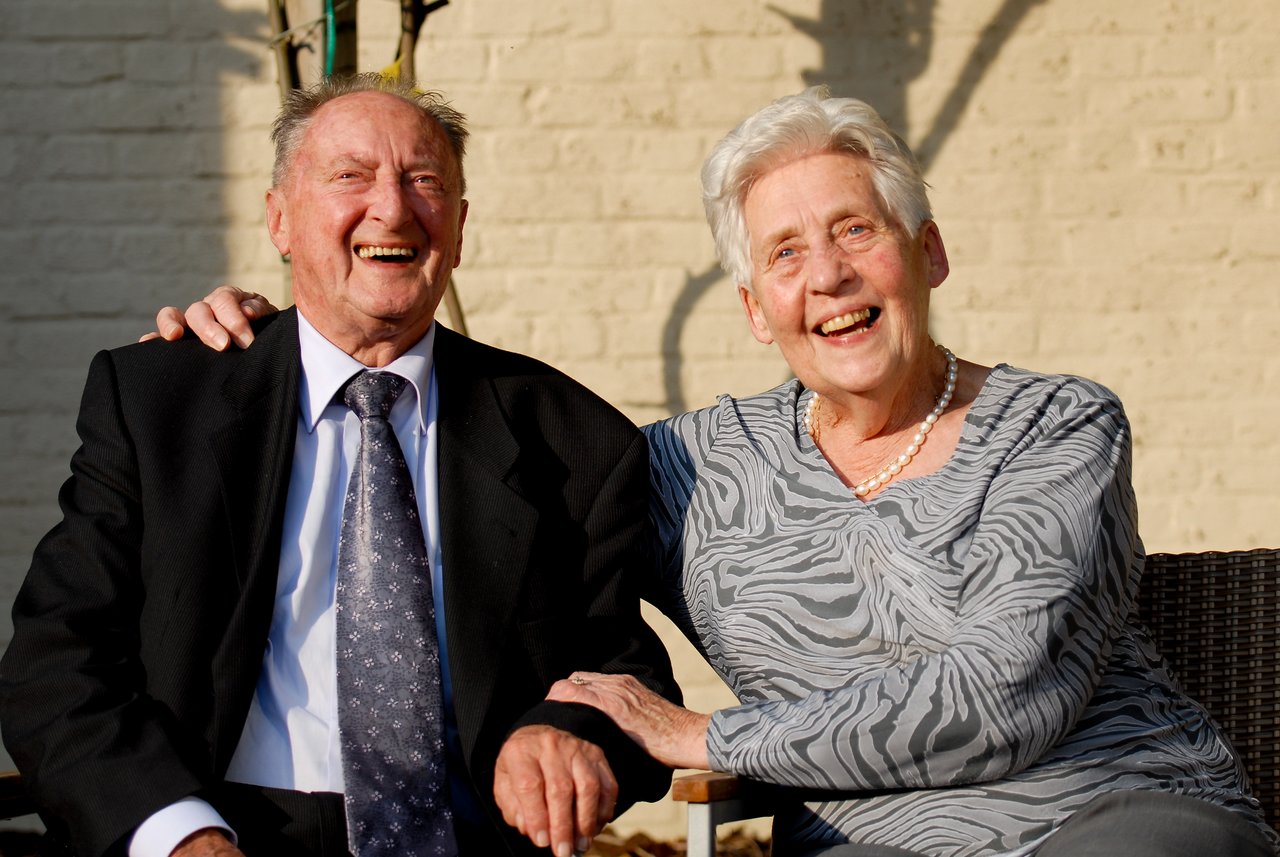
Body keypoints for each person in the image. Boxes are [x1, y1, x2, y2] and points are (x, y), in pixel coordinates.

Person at [159, 88, 1280, 857]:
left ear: (926, 252)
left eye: (856, 229)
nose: (827, 275)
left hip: (1112, 817)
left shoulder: (1054, 422)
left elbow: (999, 697)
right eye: (783, 254)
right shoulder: (689, 467)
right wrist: (281, 345)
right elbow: (501, 559)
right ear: (753, 310)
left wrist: (701, 734)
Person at [0, 74, 678, 857]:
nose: (392, 208)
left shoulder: (573, 437)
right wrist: (178, 836)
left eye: (423, 180)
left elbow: (625, 665)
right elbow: (54, 665)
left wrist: (570, 729)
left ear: (459, 228)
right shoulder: (162, 404)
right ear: (280, 219)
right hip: (222, 826)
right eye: (350, 176)